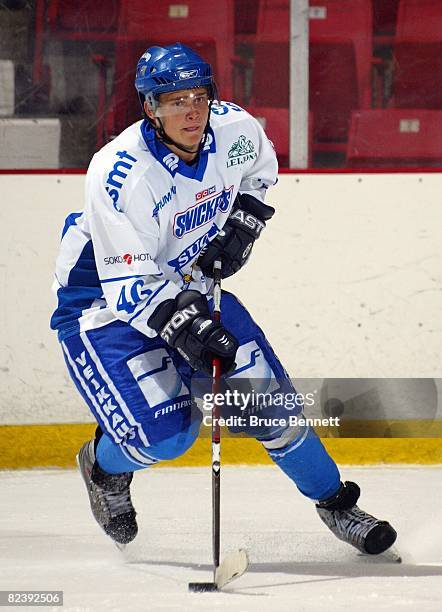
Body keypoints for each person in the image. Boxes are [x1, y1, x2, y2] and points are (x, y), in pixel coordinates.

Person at [50, 43, 396, 554]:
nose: (191, 111)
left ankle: (337, 503)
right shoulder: (120, 174)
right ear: (150, 108)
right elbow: (129, 286)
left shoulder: (235, 128)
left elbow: (261, 169)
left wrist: (244, 221)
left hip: (191, 284)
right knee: (168, 436)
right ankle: (103, 466)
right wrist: (187, 329)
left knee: (268, 406)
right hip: (105, 307)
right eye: (173, 101)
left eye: (198, 96)